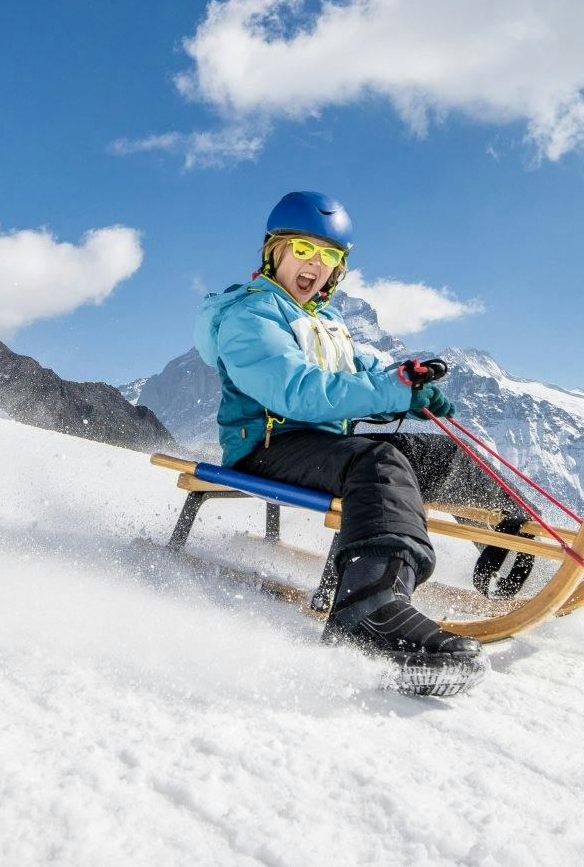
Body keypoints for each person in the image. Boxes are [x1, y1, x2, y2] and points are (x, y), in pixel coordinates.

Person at [194, 191, 493, 693]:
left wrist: (409, 390)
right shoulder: (250, 318)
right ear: (275, 252)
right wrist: (394, 389)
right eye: (304, 250)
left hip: (323, 446)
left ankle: (515, 546)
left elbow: (365, 375)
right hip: (267, 449)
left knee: (442, 455)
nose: (315, 264)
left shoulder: (326, 323)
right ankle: (369, 609)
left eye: (329, 256)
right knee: (379, 460)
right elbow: (297, 394)